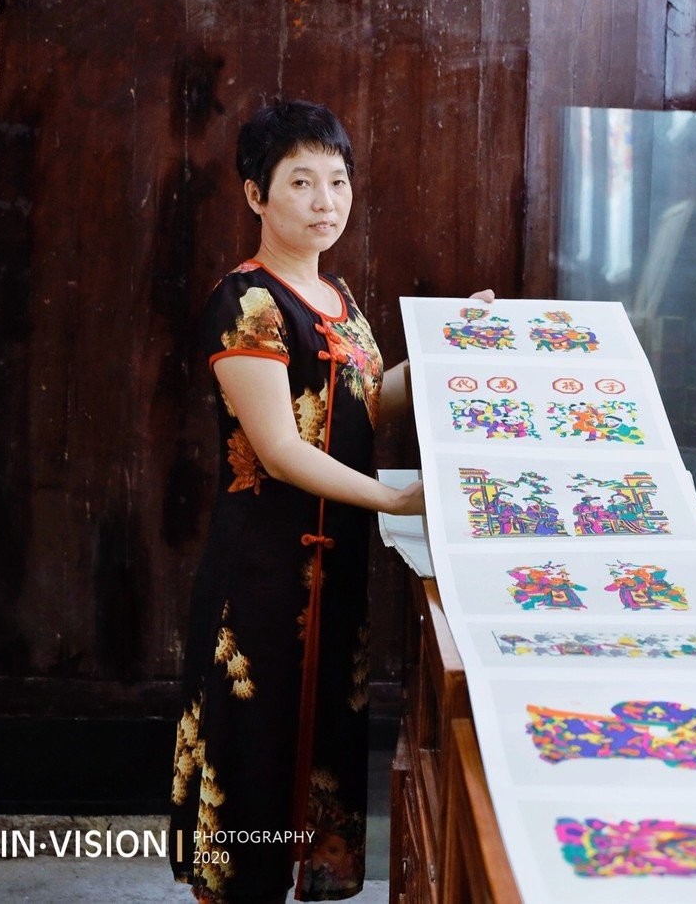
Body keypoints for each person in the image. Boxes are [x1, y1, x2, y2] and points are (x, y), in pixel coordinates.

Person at [169, 98, 490, 903]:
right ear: (255, 195)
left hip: (333, 575)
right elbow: (281, 450)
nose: (326, 200)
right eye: (301, 181)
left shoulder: (336, 294)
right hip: (263, 575)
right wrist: (396, 498)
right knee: (254, 764)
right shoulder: (248, 301)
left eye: (338, 181)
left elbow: (364, 403)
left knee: (313, 758)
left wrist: (453, 347)